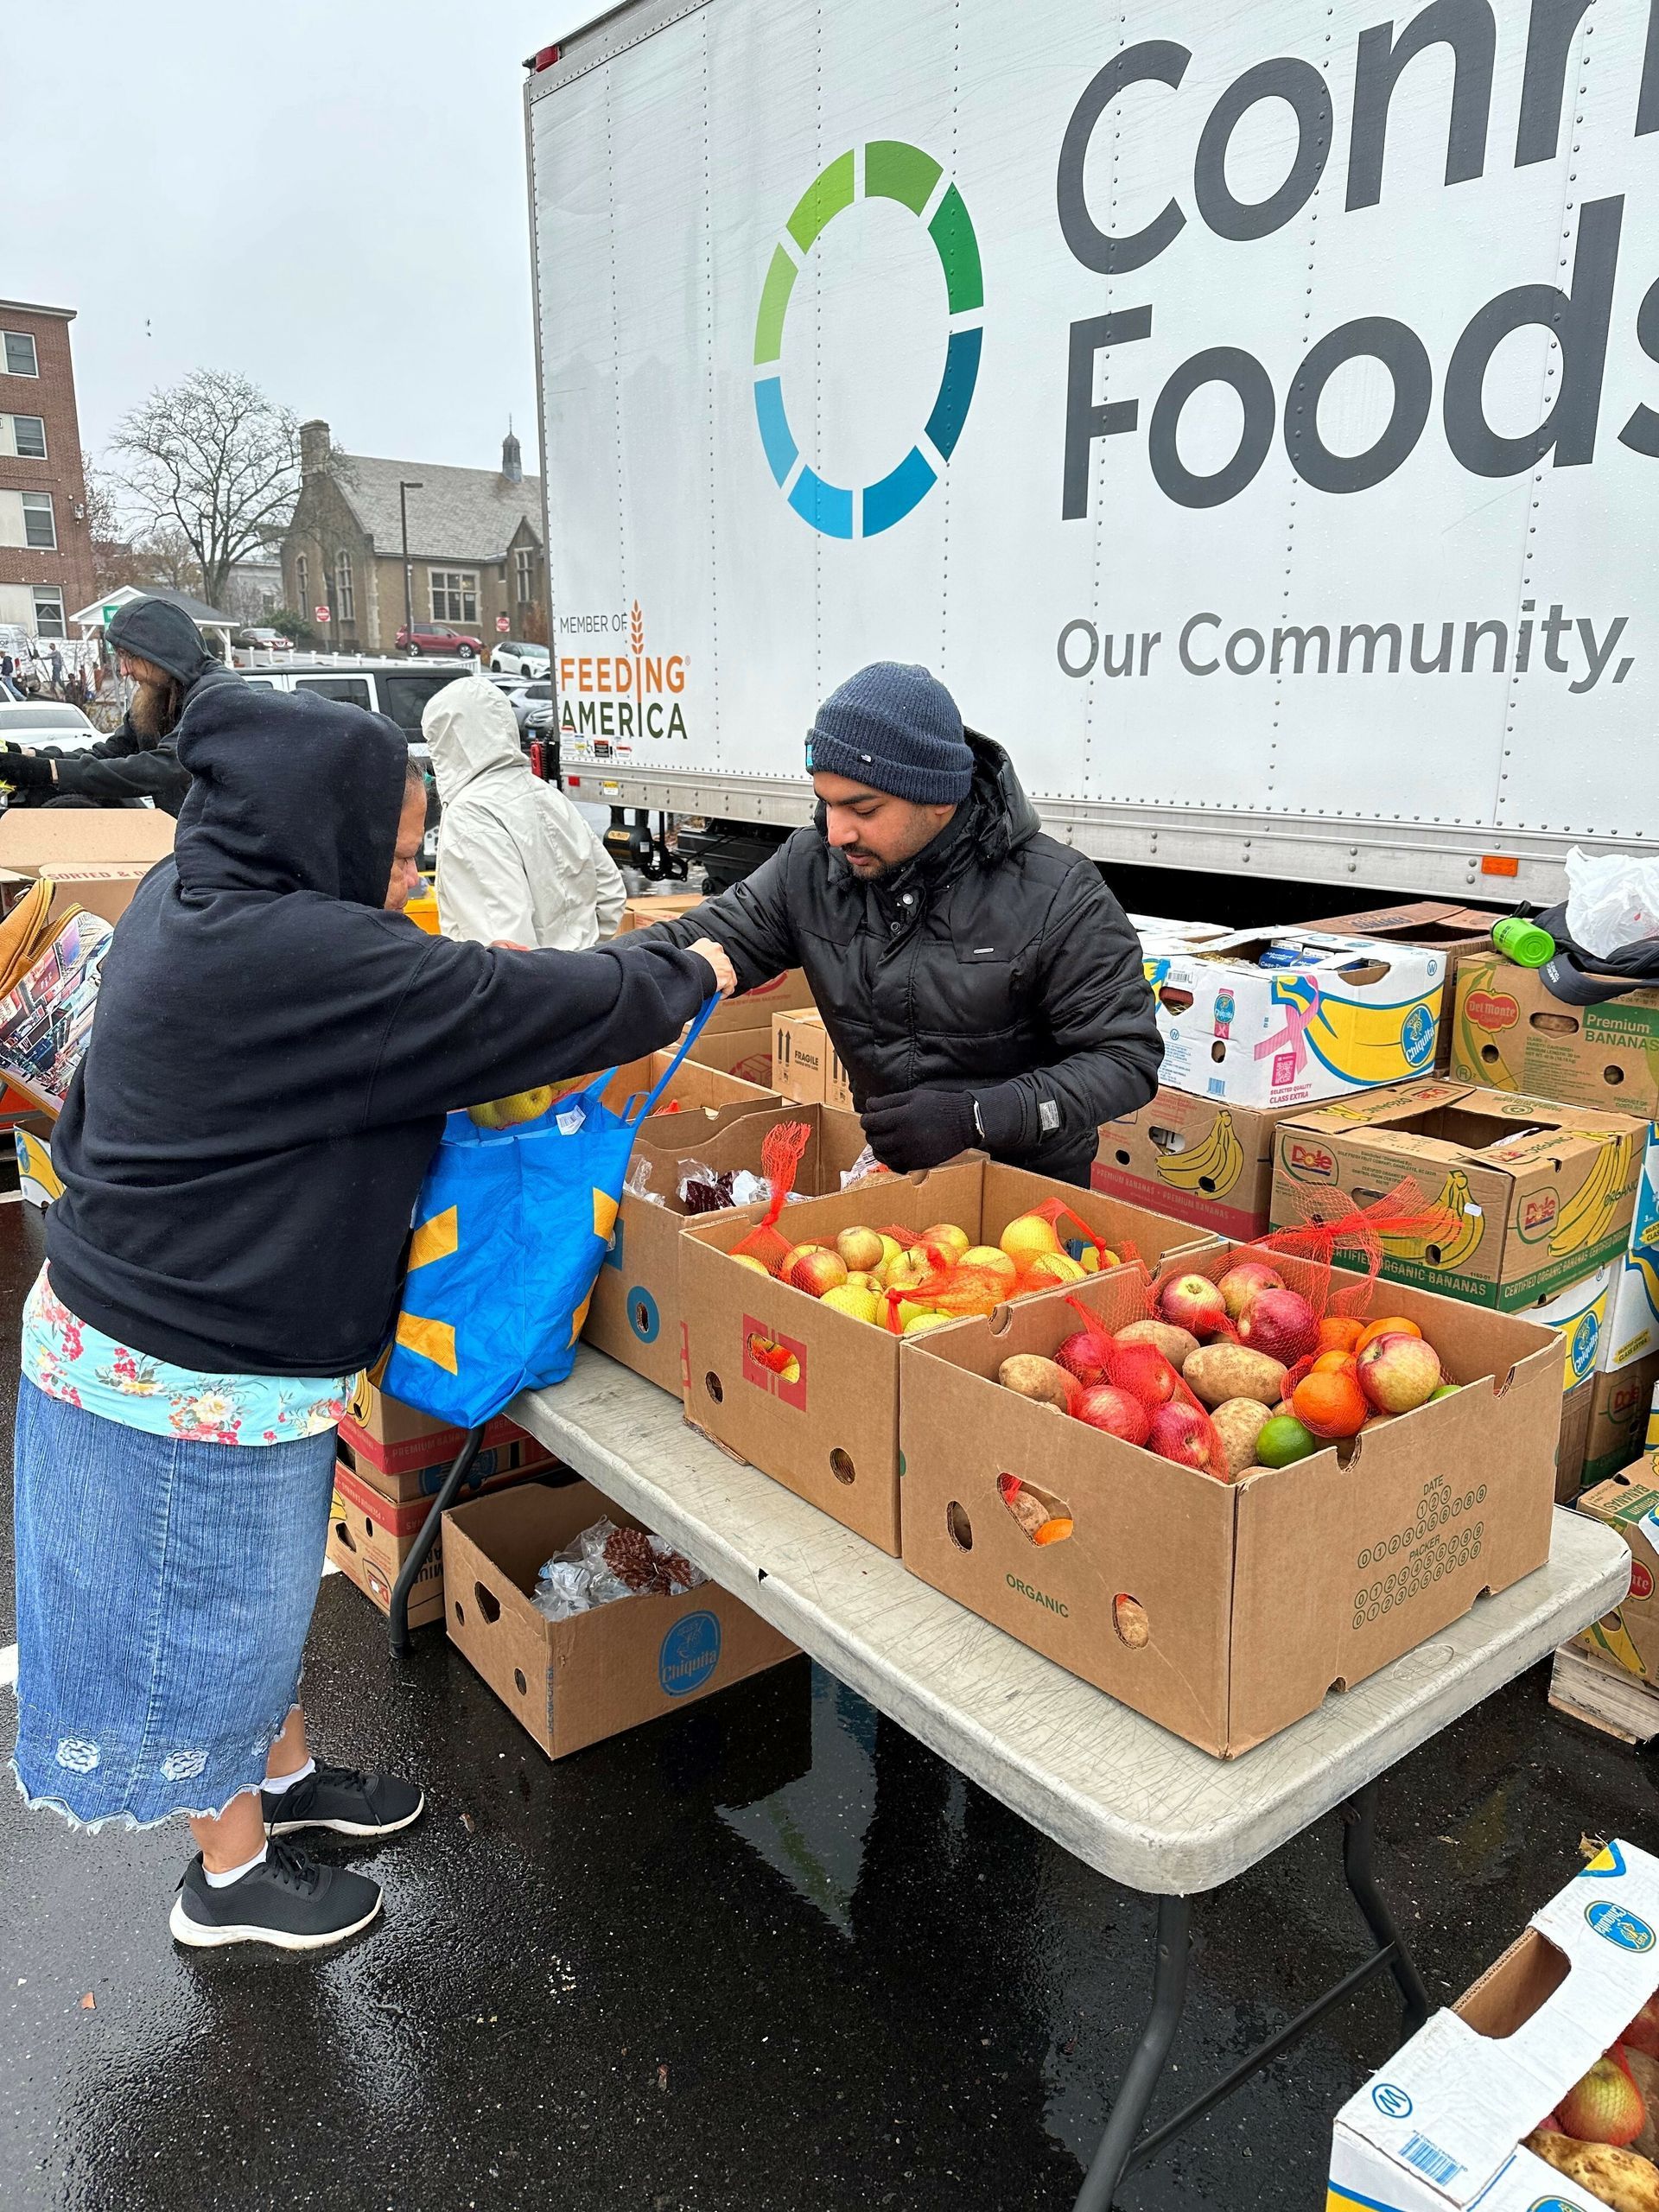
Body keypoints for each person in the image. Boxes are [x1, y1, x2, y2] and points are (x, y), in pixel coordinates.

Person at [10, 677, 734, 1951]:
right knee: (202, 1610)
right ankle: (227, 1884)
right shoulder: (298, 951)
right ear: (321, 832)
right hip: (178, 1367)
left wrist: (468, 965)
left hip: (199, 1339)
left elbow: (438, 985)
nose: (409, 883)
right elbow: (520, 1012)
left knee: (258, 1596)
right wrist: (700, 964)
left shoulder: (214, 891)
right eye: (396, 857)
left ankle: (282, 1782)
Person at [641, 661, 1162, 1186]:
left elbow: (1126, 1059)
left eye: (862, 809)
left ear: (940, 798)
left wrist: (980, 1116)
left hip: (1026, 1199)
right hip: (893, 1189)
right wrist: (580, 991)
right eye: (825, 803)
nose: (836, 832)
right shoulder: (813, 869)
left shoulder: (1059, 893)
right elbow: (696, 942)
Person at [423, 676, 626, 949]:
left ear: (444, 740)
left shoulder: (470, 814)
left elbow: (504, 947)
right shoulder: (548, 795)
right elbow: (610, 893)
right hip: (584, 978)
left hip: (533, 988)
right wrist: (580, 956)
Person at [0, 599, 232, 814]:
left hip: (230, 843)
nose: (123, 671)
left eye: (128, 656)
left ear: (160, 651)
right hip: (185, 834)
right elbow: (112, 753)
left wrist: (49, 771)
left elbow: (166, 767)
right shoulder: (158, 695)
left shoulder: (218, 692)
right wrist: (30, 756)